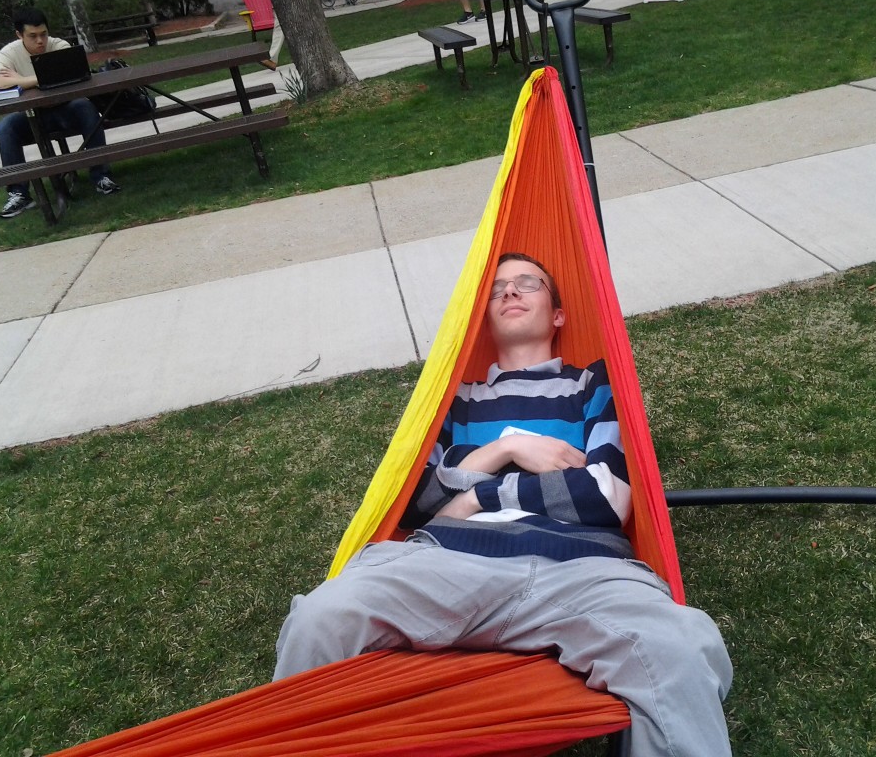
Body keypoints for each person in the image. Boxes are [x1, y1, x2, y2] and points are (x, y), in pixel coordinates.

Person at [273, 253, 733, 756]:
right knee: (322, 617)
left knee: (682, 647)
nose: (510, 293)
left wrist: (476, 494)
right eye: (497, 290)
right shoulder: (453, 401)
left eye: (527, 284)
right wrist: (509, 450)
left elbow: (605, 497)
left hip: (581, 573)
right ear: (485, 316)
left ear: (557, 314)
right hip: (447, 566)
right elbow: (414, 502)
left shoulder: (592, 386)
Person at [0, 7, 120, 219]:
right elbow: (1, 82)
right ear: (19, 35)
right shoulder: (9, 53)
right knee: (6, 126)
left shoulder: (60, 46)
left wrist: (22, 80)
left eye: (43, 34)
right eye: (32, 36)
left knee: (85, 107)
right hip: (31, 116)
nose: (40, 41)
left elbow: (73, 73)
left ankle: (101, 176)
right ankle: (19, 193)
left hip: (65, 110)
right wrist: (43, 78)